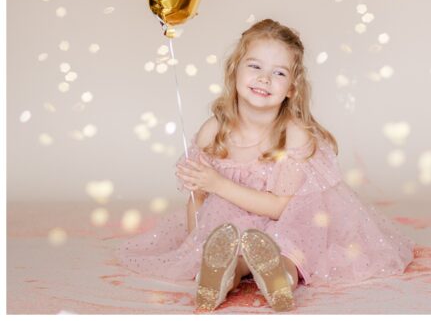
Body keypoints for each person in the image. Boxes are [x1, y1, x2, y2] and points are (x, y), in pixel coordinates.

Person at [116, 19, 414, 311]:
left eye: (279, 72)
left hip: (287, 220)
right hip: (234, 224)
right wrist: (199, 244)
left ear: (292, 89)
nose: (264, 78)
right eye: (255, 66)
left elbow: (281, 209)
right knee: (226, 241)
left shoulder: (293, 136)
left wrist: (218, 183)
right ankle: (221, 275)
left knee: (292, 241)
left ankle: (280, 275)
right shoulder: (214, 131)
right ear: (234, 72)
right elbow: (198, 200)